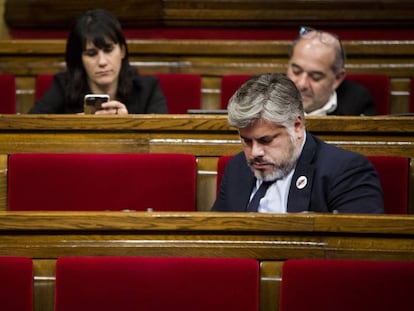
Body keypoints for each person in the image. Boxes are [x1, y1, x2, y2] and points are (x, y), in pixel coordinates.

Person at [212, 73, 383, 213]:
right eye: (246, 141)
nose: (255, 152)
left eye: (266, 140)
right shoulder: (237, 168)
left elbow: (360, 247)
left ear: (297, 126)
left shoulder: (345, 171)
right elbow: (216, 240)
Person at [29, 9, 167, 114]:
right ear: (80, 58)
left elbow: (165, 140)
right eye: (91, 54)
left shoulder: (147, 89)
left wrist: (128, 125)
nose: (102, 62)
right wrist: (74, 127)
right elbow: (29, 128)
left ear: (122, 51)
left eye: (108, 50)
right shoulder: (63, 87)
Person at [286, 26, 376, 116]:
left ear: (337, 78)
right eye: (296, 71)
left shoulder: (358, 102)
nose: (302, 84)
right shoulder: (272, 93)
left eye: (315, 77)